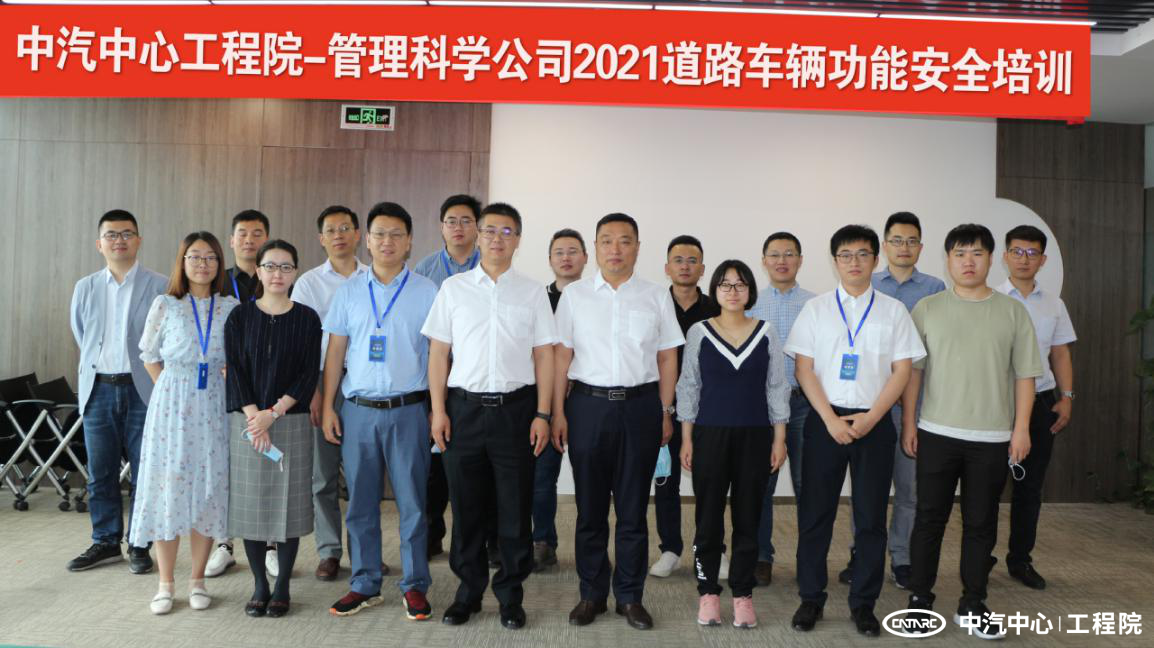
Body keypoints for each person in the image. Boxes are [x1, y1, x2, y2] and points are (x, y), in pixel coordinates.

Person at [902, 224, 1042, 641]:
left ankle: (973, 603)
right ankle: (920, 600)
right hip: (936, 432)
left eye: (977, 253)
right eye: (960, 254)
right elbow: (914, 373)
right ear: (947, 259)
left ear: (991, 259)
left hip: (992, 438)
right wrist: (909, 423)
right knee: (929, 519)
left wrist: (1021, 429)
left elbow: (1025, 376)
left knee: (981, 523)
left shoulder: (1013, 312)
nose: (968, 261)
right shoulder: (927, 308)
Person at [423, 202, 557, 629]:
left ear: (518, 240)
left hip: (517, 411)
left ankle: (510, 596)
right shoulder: (454, 289)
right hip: (463, 410)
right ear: (478, 236)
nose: (497, 238)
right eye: (490, 230)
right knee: (466, 508)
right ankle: (468, 593)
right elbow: (438, 354)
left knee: (515, 509)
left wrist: (543, 413)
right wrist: (438, 411)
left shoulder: (532, 292)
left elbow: (545, 356)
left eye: (507, 231)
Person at [786, 225, 925, 637]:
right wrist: (830, 419)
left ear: (875, 260)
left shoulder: (893, 311)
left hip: (874, 423)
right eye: (845, 255)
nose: (854, 262)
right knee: (816, 516)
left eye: (863, 254)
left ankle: (863, 604)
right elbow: (804, 369)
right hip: (824, 421)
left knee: (870, 519)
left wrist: (872, 417)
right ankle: (811, 599)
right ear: (835, 262)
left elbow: (903, 370)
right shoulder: (816, 309)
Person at [553, 213, 683, 631]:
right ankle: (591, 594)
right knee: (590, 510)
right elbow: (561, 357)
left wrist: (665, 411)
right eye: (607, 240)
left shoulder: (655, 295)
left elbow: (667, 357)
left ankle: (629, 596)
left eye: (625, 241)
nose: (615, 249)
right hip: (587, 407)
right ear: (595, 248)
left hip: (641, 407)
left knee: (632, 510)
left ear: (637, 248)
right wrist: (557, 412)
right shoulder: (575, 296)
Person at [321, 202, 438, 620]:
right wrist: (329, 405)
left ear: (409, 242)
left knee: (413, 503)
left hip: (409, 410)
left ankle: (415, 585)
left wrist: (437, 409)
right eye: (379, 234)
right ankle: (364, 583)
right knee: (360, 503)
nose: (387, 241)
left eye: (396, 234)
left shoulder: (427, 291)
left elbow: (439, 355)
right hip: (358, 411)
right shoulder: (349, 291)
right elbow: (336, 352)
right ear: (367, 241)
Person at [129, 231, 240, 614]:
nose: (202, 264)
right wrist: (170, 390)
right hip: (171, 406)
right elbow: (148, 355)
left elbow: (238, 358)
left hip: (214, 405)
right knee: (168, 488)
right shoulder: (165, 304)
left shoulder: (230, 307)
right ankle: (165, 584)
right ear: (182, 262)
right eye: (195, 256)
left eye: (210, 257)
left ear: (219, 264)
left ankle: (197, 581)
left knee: (207, 488)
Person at [677, 260, 790, 629]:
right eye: (725, 284)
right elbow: (689, 386)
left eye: (740, 284)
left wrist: (779, 438)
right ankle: (708, 593)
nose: (732, 291)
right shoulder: (699, 332)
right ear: (715, 289)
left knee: (748, 518)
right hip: (709, 436)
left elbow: (776, 387)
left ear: (750, 291)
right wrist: (687, 438)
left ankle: (742, 594)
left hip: (755, 437)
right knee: (708, 518)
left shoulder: (766, 332)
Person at [838, 212, 946, 589]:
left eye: (911, 241)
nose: (904, 247)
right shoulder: (866, 281)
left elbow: (932, 351)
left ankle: (902, 557)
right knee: (866, 489)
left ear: (921, 247)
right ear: (884, 247)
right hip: (869, 403)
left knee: (909, 488)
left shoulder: (935, 289)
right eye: (897, 240)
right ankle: (861, 553)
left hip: (914, 405)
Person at [225, 240, 322, 619]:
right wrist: (256, 417)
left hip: (290, 420)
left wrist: (274, 413)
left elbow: (308, 374)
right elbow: (235, 370)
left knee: (290, 504)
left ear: (295, 272)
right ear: (258, 271)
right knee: (250, 504)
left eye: (285, 267)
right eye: (270, 266)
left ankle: (281, 586)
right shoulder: (240, 317)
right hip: (248, 423)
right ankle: (259, 585)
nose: (277, 274)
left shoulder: (307, 318)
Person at [67, 210, 167, 575]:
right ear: (99, 244)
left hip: (144, 390)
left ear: (138, 240)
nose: (119, 240)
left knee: (146, 471)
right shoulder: (85, 287)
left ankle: (140, 543)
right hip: (99, 389)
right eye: (111, 235)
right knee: (100, 472)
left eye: (126, 234)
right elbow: (82, 334)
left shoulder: (160, 285)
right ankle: (106, 541)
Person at [291, 206, 374, 582]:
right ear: (321, 238)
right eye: (330, 230)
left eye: (345, 228)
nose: (338, 235)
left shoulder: (374, 277)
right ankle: (329, 552)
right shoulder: (308, 283)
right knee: (323, 476)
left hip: (363, 384)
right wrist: (312, 392)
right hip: (323, 381)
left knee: (362, 476)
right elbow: (302, 343)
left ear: (358, 235)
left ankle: (364, 552)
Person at [412, 194, 497, 564]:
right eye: (451, 221)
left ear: (477, 227)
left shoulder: (492, 266)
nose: (458, 228)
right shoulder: (425, 270)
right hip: (435, 378)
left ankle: (488, 539)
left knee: (483, 467)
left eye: (466, 220)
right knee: (435, 467)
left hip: (477, 382)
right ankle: (433, 535)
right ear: (441, 227)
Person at [997, 224, 1076, 591]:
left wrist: (1067, 397)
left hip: (1042, 401)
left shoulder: (1053, 304)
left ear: (1042, 260)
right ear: (1005, 256)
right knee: (987, 486)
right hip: (998, 403)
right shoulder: (991, 299)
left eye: (1031, 253)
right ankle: (980, 557)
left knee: (1030, 488)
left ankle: (1020, 560)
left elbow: (1060, 353)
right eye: (1017, 251)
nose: (1023, 259)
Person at [744, 231, 815, 587]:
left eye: (789, 254)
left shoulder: (817, 304)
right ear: (764, 261)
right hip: (762, 407)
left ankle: (809, 558)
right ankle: (761, 557)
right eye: (774, 254)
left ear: (800, 260)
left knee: (808, 484)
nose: (782, 260)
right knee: (761, 484)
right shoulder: (750, 303)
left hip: (805, 404)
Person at [649, 235, 720, 580]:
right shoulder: (654, 305)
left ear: (702, 269)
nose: (685, 266)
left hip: (708, 412)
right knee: (666, 480)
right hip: (663, 408)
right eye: (678, 260)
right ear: (667, 268)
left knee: (710, 482)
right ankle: (670, 549)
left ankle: (712, 550)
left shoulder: (717, 309)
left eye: (692, 261)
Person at [207, 208, 273, 578]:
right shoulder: (216, 282)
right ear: (231, 240)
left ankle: (270, 544)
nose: (249, 240)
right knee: (225, 465)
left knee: (268, 465)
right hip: (225, 387)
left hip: (269, 388)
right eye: (242, 233)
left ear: (267, 239)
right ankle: (224, 543)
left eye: (257, 233)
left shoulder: (276, 278)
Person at [533, 228, 588, 572]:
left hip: (584, 399)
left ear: (585, 257)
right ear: (550, 259)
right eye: (559, 252)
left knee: (590, 479)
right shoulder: (537, 299)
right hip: (542, 399)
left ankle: (589, 545)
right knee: (542, 477)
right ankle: (543, 541)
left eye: (573, 251)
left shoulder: (594, 297)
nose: (566, 258)